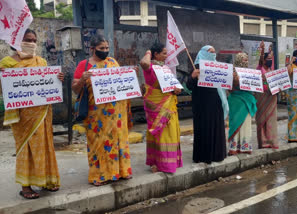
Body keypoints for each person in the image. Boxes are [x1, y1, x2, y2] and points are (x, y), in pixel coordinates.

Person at [0, 29, 64, 199]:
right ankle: (26, 187)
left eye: (34, 40)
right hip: (22, 117)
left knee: (45, 146)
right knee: (26, 149)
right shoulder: (7, 63)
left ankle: (47, 181)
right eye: (28, 40)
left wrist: (58, 78)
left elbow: (47, 84)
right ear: (18, 41)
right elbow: (3, 90)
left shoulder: (41, 61)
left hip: (42, 113)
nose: (31, 43)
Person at [72, 35, 133, 185]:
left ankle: (120, 171)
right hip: (96, 115)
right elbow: (75, 89)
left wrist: (130, 75)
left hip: (116, 113)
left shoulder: (112, 62)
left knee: (117, 140)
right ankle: (99, 174)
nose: (105, 51)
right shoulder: (84, 65)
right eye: (101, 49)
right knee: (98, 142)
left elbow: (120, 82)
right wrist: (82, 79)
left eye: (107, 48)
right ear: (92, 49)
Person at [140, 43, 183, 173]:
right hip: (156, 106)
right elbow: (143, 63)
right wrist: (148, 51)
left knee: (170, 133)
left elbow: (171, 85)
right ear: (156, 54)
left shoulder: (165, 68)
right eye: (164, 53)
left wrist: (176, 90)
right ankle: (156, 163)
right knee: (158, 134)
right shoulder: (150, 67)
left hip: (169, 104)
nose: (166, 55)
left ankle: (168, 162)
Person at [186, 45, 227, 163]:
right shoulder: (196, 67)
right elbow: (188, 86)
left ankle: (217, 154)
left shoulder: (218, 67)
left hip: (215, 102)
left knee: (217, 128)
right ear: (203, 53)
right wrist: (193, 77)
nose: (213, 54)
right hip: (202, 105)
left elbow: (223, 83)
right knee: (204, 129)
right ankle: (204, 156)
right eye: (210, 52)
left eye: (214, 52)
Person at [228, 53, 257, 155]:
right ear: (238, 60)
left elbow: (255, 85)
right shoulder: (232, 72)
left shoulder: (250, 73)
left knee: (246, 124)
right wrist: (236, 80)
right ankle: (233, 148)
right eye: (243, 60)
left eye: (246, 60)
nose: (246, 62)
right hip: (236, 101)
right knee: (235, 123)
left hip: (247, 101)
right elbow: (229, 88)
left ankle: (245, 147)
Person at [255, 42, 279, 149]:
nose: (269, 60)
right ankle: (263, 143)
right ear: (263, 60)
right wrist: (262, 50)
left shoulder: (271, 70)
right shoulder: (260, 68)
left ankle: (271, 142)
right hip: (261, 99)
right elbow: (261, 60)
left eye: (271, 58)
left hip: (271, 99)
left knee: (271, 121)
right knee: (262, 121)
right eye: (267, 58)